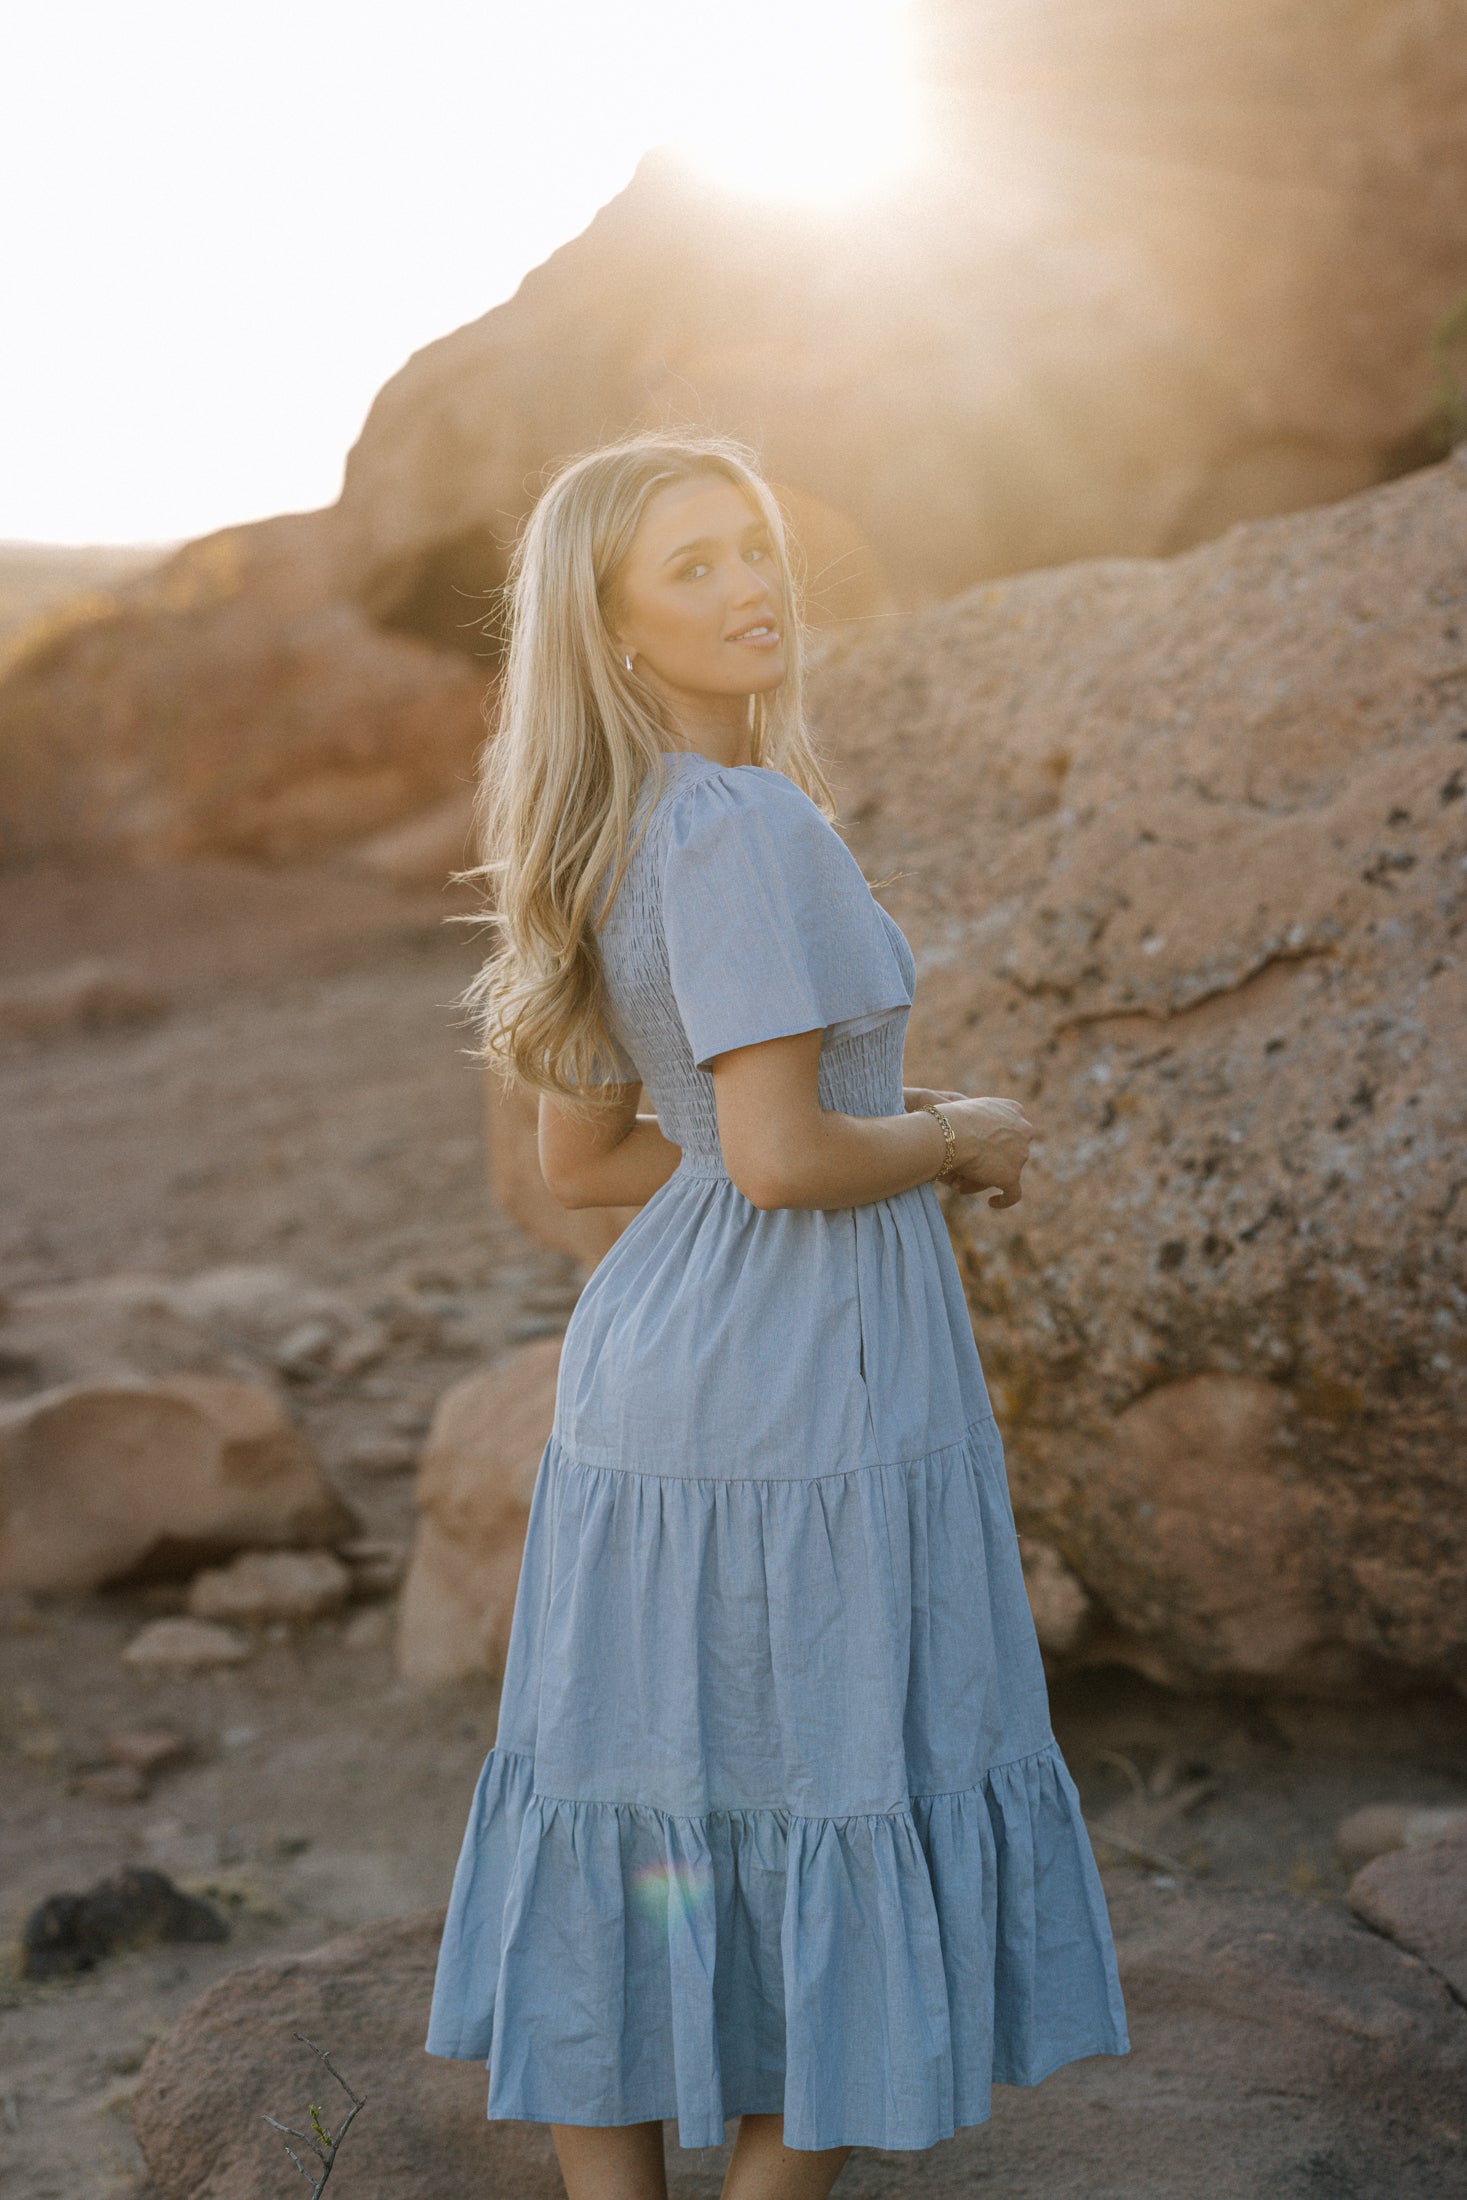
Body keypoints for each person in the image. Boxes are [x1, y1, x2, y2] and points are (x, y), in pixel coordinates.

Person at [424, 431, 1128, 2200]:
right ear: (617, 628)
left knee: (630, 1804)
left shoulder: (604, 826)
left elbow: (591, 1163)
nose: (752, 588)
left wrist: (777, 1163)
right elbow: (788, 1153)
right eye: (694, 567)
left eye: (755, 548)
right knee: (828, 1789)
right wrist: (955, 1137)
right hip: (809, 1390)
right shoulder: (741, 823)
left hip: (650, 1383)